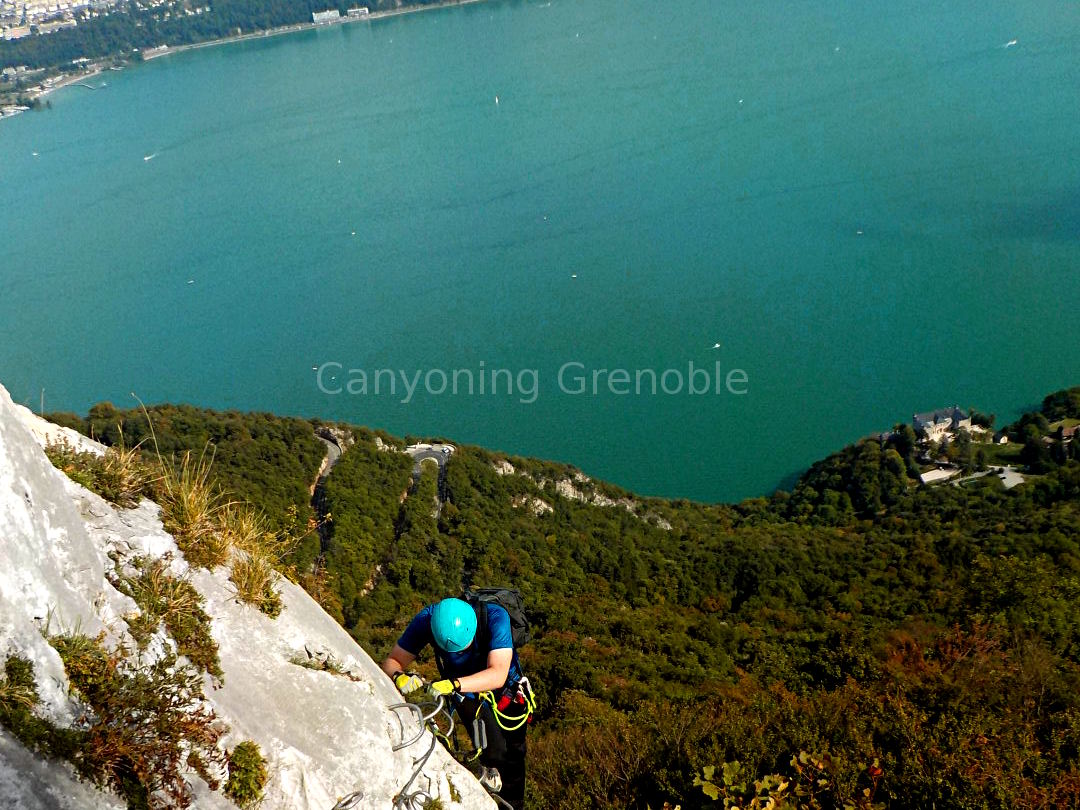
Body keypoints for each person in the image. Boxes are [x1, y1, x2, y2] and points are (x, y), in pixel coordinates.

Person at [382, 597, 530, 810]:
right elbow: (392, 661)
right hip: (464, 693)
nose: (457, 654)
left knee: (515, 753)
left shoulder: (496, 617)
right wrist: (399, 676)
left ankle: (515, 805)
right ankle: (493, 790)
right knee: (493, 752)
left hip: (506, 690)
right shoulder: (427, 620)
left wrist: (455, 683)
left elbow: (497, 674)